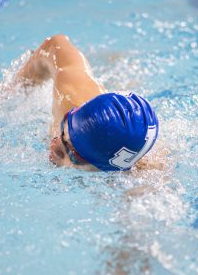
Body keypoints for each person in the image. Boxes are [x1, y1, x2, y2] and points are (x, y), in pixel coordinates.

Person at [12, 34, 159, 172]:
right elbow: (55, 44)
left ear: (105, 168)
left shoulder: (133, 179)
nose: (55, 144)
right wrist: (12, 92)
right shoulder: (70, 98)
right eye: (65, 125)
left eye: (72, 154)